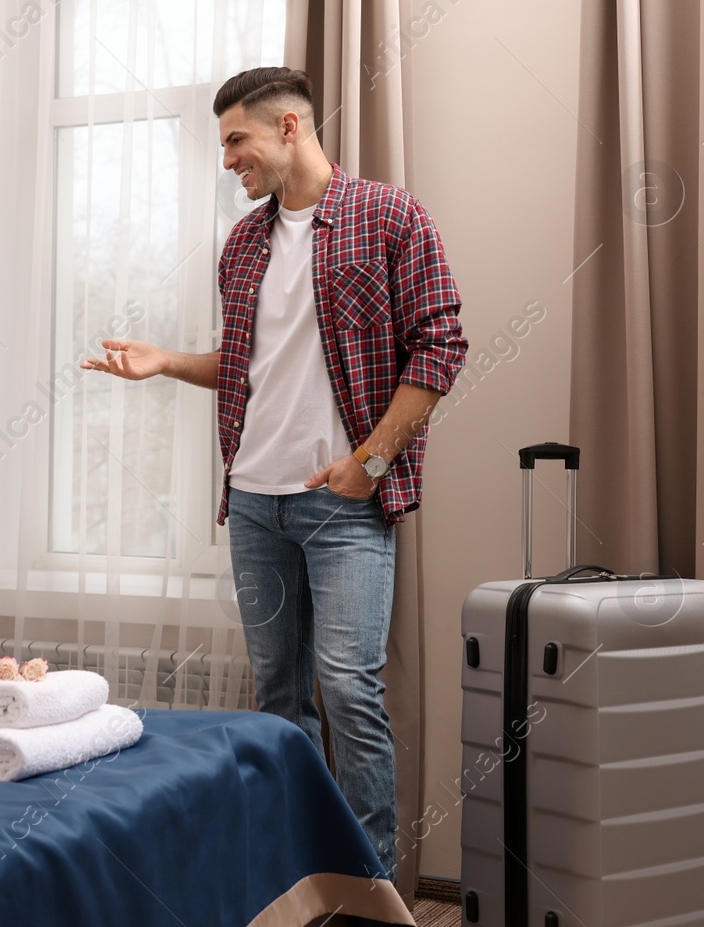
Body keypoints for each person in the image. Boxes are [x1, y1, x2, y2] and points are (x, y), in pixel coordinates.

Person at [81, 67, 465, 878]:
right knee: (277, 702)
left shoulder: (390, 216)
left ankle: (372, 887)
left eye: (235, 140)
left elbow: (441, 345)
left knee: (349, 693)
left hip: (343, 506)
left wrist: (372, 460)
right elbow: (251, 365)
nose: (227, 160)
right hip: (255, 504)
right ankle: (295, 877)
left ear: (290, 127)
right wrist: (167, 362)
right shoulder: (245, 243)